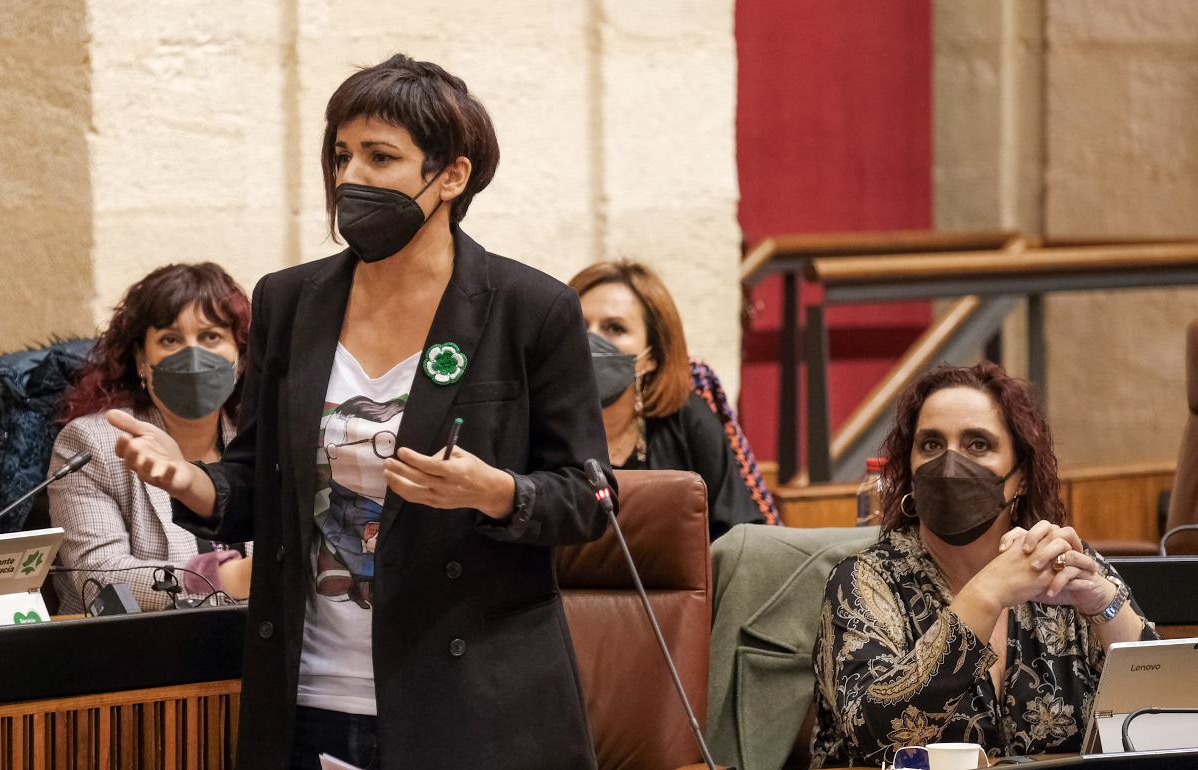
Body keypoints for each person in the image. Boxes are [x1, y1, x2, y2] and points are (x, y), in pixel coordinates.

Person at [107, 55, 611, 770]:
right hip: (308, 691)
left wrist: (498, 491)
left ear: (451, 176)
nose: (350, 178)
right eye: (340, 155)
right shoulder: (291, 301)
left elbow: (592, 497)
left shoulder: (531, 309)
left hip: (470, 699)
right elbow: (261, 477)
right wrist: (190, 480)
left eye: (381, 158)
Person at [810, 362, 1157, 767]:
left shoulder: (1063, 564)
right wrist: (987, 592)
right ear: (909, 470)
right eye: (932, 445)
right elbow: (877, 733)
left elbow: (1166, 713)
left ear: (1022, 475)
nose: (951, 464)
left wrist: (1105, 607)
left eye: (978, 444)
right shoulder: (862, 582)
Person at [48, 263, 253, 613]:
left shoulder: (259, 438)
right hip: (143, 659)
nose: (193, 355)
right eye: (171, 339)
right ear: (142, 360)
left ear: (242, 358)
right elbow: (97, 578)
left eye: (211, 337)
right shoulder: (93, 444)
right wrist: (220, 579)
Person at [570, 260, 765, 539]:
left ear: (651, 357)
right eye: (580, 324)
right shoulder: (540, 425)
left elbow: (742, 536)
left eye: (615, 328)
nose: (590, 341)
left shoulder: (687, 419)